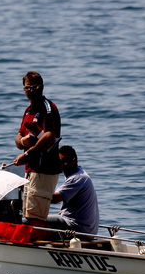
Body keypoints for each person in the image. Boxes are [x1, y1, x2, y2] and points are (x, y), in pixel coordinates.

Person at [12, 71, 61, 227]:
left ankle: (41, 248)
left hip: (44, 170)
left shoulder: (48, 108)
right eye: (28, 87)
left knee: (36, 220)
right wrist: (23, 142)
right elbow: (18, 138)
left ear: (42, 88)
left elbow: (50, 136)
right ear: (24, 89)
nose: (32, 90)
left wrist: (27, 153)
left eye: (36, 87)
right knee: (28, 215)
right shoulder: (28, 111)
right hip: (30, 170)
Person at [45, 146, 100, 240]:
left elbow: (54, 199)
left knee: (29, 221)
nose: (66, 164)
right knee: (44, 217)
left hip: (79, 229)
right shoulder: (79, 175)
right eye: (62, 161)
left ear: (76, 159)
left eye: (70, 160)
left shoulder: (77, 178)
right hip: (86, 229)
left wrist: (30, 192)